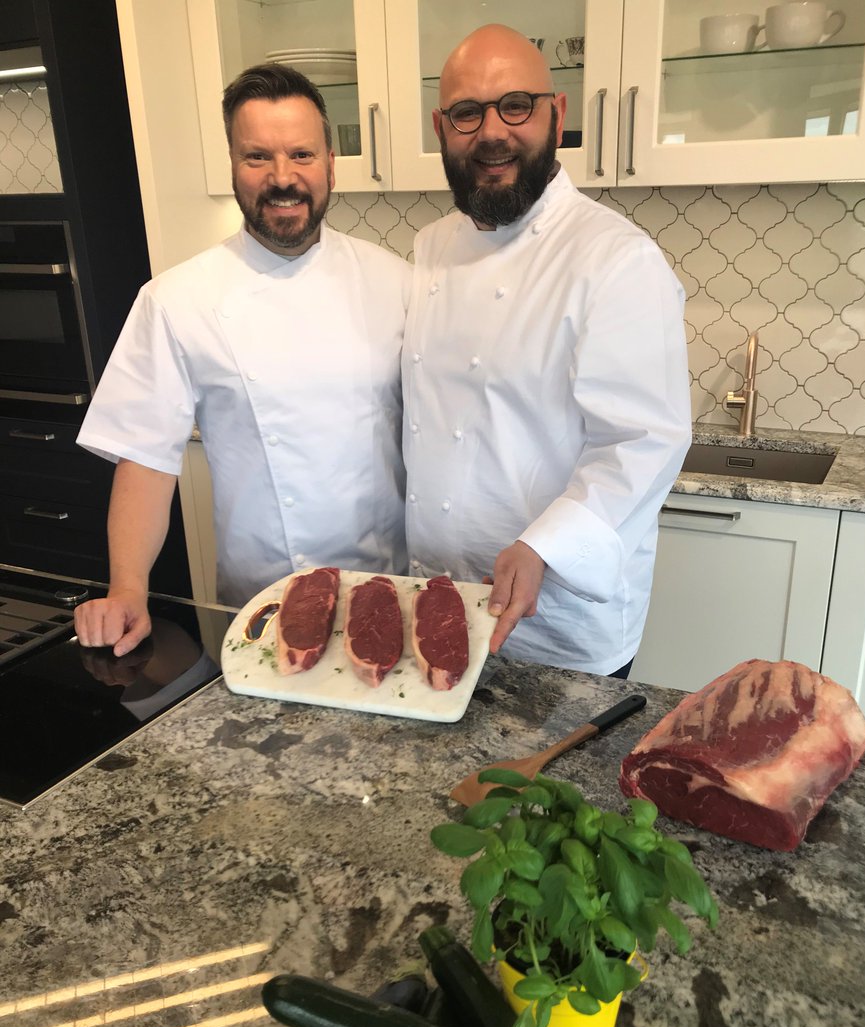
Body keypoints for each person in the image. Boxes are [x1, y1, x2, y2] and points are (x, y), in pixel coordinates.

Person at [74, 65, 410, 656]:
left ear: (331, 163)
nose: (283, 178)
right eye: (257, 157)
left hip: (386, 593)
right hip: (260, 602)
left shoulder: (397, 283)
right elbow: (146, 458)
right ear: (232, 166)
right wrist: (128, 586)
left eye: (301, 154)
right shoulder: (177, 299)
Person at [402, 24, 692, 677]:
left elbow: (641, 442)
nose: (491, 133)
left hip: (555, 630)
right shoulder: (428, 249)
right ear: (440, 128)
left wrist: (545, 547)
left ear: (555, 115)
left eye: (516, 106)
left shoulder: (616, 260)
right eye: (466, 114)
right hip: (438, 602)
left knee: (538, 784)